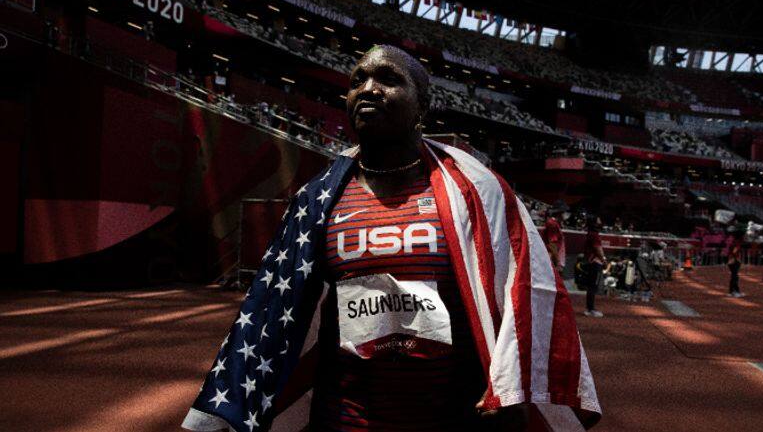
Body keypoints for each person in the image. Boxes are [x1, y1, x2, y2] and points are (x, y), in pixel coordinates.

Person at [182, 45, 600, 432]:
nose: (368, 89)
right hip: (343, 420)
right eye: (357, 80)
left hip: (447, 419)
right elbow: (279, 309)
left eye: (388, 79)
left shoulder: (476, 192)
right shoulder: (317, 200)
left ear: (423, 105)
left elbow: (518, 296)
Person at [584, 216, 606, 317]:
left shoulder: (590, 233)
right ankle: (590, 309)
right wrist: (603, 260)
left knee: (591, 286)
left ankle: (589, 308)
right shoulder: (594, 235)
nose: (600, 220)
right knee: (593, 286)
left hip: (591, 261)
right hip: (595, 262)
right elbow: (598, 248)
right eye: (598, 219)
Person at [543, 201, 569, 274]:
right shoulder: (552, 224)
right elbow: (552, 244)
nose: (566, 214)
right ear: (560, 213)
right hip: (552, 260)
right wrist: (557, 262)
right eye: (565, 212)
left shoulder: (556, 224)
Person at [728, 230, 744, 297]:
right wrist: (737, 259)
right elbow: (734, 252)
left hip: (733, 260)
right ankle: (733, 292)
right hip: (733, 261)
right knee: (734, 277)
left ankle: (735, 291)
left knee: (735, 276)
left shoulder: (736, 242)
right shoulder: (736, 243)